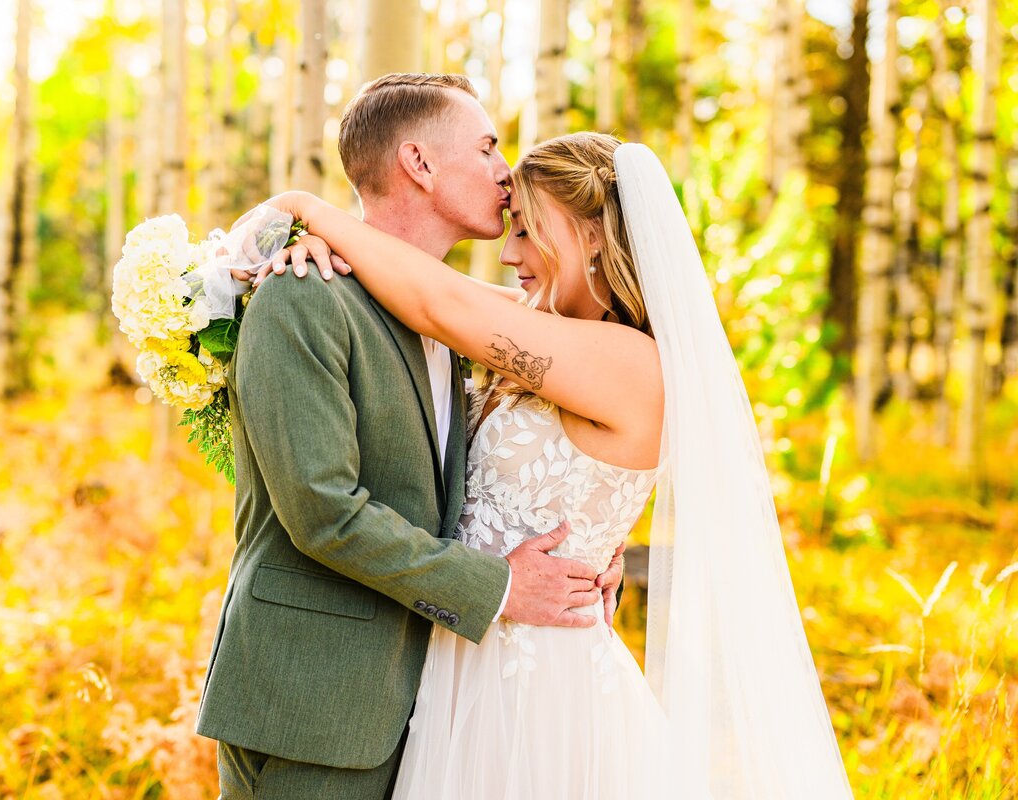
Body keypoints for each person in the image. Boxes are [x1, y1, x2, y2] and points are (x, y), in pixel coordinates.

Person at [261, 130, 854, 797]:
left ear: (593, 235)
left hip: (535, 688)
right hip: (462, 657)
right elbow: (417, 283)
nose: (509, 254)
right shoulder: (542, 326)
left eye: (527, 230)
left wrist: (303, 206)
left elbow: (440, 303)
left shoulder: (632, 363)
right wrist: (311, 247)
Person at [193, 74, 628, 800]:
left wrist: (588, 542)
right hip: (314, 703)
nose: (504, 171)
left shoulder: (464, 325)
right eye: (488, 146)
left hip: (439, 706)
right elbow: (324, 513)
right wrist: (502, 586)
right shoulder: (304, 296)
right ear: (420, 164)